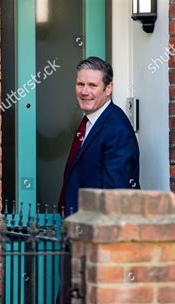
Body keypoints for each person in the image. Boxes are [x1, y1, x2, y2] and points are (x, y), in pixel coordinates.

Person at [58, 56, 140, 214]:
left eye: (92, 85)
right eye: (80, 84)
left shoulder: (117, 128)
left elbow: (115, 195)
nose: (84, 91)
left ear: (108, 88)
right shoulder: (90, 121)